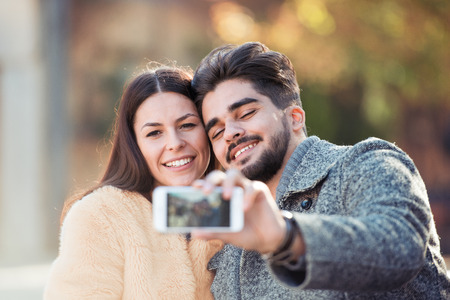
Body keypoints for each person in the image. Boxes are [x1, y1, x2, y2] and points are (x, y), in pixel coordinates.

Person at [190, 42, 450, 299]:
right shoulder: (228, 227)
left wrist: (285, 237)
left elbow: (399, 247)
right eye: (217, 131)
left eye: (246, 113)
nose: (230, 133)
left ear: (295, 117)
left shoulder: (368, 162)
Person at [44, 66, 223, 299]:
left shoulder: (236, 205)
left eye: (187, 125)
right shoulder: (101, 214)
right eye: (154, 133)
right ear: (134, 145)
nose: (175, 143)